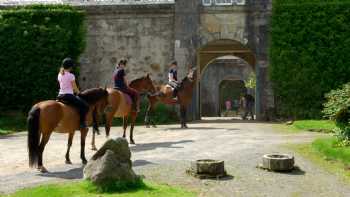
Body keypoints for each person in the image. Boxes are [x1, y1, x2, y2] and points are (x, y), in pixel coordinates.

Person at [57, 58, 89, 129]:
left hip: (60, 96)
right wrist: (80, 94)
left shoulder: (60, 74)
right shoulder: (71, 75)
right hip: (68, 96)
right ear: (70, 67)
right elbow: (74, 88)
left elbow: (61, 85)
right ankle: (82, 123)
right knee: (85, 106)